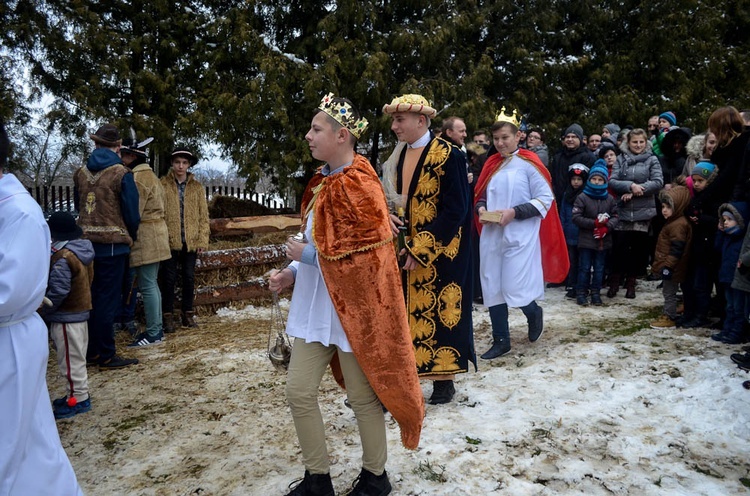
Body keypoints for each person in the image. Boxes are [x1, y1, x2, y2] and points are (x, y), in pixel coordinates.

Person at [269, 93, 423, 496]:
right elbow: (311, 238)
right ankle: (317, 478)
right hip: (314, 308)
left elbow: (371, 263)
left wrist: (308, 257)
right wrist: (289, 273)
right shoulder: (320, 182)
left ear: (341, 136)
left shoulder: (363, 185)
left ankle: (376, 477)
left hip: (353, 314)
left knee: (361, 398)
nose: (308, 136)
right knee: (298, 392)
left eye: (316, 129)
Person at [0, 120, 83, 494]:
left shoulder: (19, 214)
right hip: (43, 323)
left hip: (15, 338)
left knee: (15, 441)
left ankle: (78, 396)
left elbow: (11, 291)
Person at [380, 93, 476, 405]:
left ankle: (443, 381)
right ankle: (401, 381)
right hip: (403, 247)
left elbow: (457, 210)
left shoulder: (450, 155)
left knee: (439, 312)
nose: (394, 126)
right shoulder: (396, 157)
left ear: (421, 121)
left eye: (400, 119)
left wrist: (421, 248)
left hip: (442, 251)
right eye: (394, 119)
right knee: (402, 314)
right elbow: (397, 199)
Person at [474, 108, 568, 359]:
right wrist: (481, 207)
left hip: (520, 235)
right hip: (492, 235)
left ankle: (533, 311)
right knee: (492, 285)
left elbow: (545, 199)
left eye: (505, 137)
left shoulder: (529, 164)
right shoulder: (491, 164)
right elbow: (481, 193)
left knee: (515, 287)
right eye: (496, 139)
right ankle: (501, 340)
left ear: (519, 137)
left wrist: (514, 212)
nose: (500, 143)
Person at [74, 123, 140, 369]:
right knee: (107, 301)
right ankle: (106, 353)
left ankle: (90, 351)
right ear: (118, 147)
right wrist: (130, 234)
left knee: (89, 298)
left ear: (95, 143)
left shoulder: (80, 172)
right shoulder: (121, 173)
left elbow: (78, 205)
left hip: (84, 246)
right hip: (113, 245)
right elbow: (131, 213)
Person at [39, 211, 95, 419]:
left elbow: (59, 291)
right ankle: (77, 394)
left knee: (70, 361)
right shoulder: (82, 252)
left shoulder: (63, 258)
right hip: (80, 313)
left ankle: (78, 400)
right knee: (76, 357)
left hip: (66, 316)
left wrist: (46, 309)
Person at [121, 137, 171, 346]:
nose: (121, 159)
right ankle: (155, 329)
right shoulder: (151, 176)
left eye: (124, 155)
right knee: (151, 283)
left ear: (133, 156)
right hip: (157, 234)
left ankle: (153, 333)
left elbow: (134, 213)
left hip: (146, 236)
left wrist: (128, 234)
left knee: (148, 284)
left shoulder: (137, 179)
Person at [608, 128, 663, 299]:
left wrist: (639, 190)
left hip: (643, 212)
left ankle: (631, 283)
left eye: (641, 142)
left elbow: (658, 181)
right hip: (623, 211)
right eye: (635, 142)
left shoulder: (652, 159)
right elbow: (613, 180)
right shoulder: (621, 158)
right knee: (619, 248)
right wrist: (629, 186)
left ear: (646, 142)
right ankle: (615, 281)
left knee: (637, 250)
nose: (638, 145)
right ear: (628, 143)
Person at [160, 147, 210, 330]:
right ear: (172, 164)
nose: (180, 166)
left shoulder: (197, 188)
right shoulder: (162, 185)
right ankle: (167, 316)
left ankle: (187, 314)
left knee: (189, 278)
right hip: (169, 241)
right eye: (177, 162)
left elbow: (203, 216)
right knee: (168, 279)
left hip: (191, 241)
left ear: (189, 165)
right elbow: (158, 213)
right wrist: (162, 237)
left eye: (184, 163)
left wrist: (202, 239)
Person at [572, 160, 619, 306]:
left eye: (600, 180)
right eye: (594, 179)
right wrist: (594, 224)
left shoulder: (610, 199)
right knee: (584, 267)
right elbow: (576, 217)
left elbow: (616, 216)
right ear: (590, 179)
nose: (597, 182)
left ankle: (596, 293)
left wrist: (606, 227)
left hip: (603, 242)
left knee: (599, 269)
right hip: (586, 240)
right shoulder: (582, 197)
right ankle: (581, 292)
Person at [681, 161, 720, 328]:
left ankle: (701, 315)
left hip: (708, 248)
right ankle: (691, 312)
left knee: (701, 284)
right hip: (696, 246)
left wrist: (701, 219)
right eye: (694, 180)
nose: (696, 184)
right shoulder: (696, 197)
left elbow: (718, 221)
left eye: (700, 181)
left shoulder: (715, 198)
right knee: (691, 283)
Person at [649, 186, 692, 328]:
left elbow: (676, 250)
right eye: (663, 206)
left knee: (669, 292)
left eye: (669, 207)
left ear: (678, 207)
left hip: (673, 268)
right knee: (669, 291)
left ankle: (669, 317)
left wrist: (668, 266)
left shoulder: (678, 225)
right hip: (672, 266)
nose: (664, 210)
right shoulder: (674, 221)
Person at [710, 203, 749, 343]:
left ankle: (737, 332)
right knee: (729, 306)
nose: (725, 223)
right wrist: (720, 231)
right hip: (727, 278)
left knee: (739, 308)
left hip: (739, 279)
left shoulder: (742, 240)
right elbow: (717, 247)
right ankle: (727, 329)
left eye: (729, 220)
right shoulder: (727, 236)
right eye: (724, 220)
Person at [560, 163, 589, 298]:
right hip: (570, 232)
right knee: (572, 261)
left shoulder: (586, 195)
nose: (576, 182)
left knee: (584, 262)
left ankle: (582, 286)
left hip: (583, 234)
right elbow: (563, 213)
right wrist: (563, 228)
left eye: (579, 179)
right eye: (573, 179)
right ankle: (571, 285)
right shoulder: (567, 194)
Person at [549, 123, 596, 204]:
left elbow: (588, 181)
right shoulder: (558, 156)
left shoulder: (588, 157)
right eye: (567, 137)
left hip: (578, 202)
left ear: (580, 139)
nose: (570, 139)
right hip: (558, 200)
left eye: (574, 137)